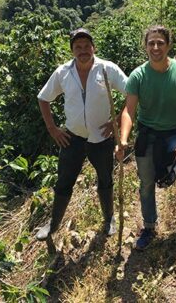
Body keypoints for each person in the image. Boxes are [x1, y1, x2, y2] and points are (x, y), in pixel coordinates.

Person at [116, 25, 176, 252]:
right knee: (146, 184)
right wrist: (123, 139)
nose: (155, 47)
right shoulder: (138, 75)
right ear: (145, 46)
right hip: (148, 136)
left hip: (175, 134)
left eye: (160, 43)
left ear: (168, 45)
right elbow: (128, 111)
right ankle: (149, 226)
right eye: (151, 43)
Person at [35, 28, 128, 242]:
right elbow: (43, 98)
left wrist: (115, 121)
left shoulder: (107, 69)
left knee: (105, 178)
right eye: (78, 47)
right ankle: (53, 224)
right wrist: (53, 129)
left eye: (87, 46)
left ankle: (109, 219)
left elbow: (131, 92)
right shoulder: (63, 72)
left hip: (101, 138)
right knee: (64, 182)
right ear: (72, 50)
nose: (83, 50)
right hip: (72, 138)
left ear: (94, 47)